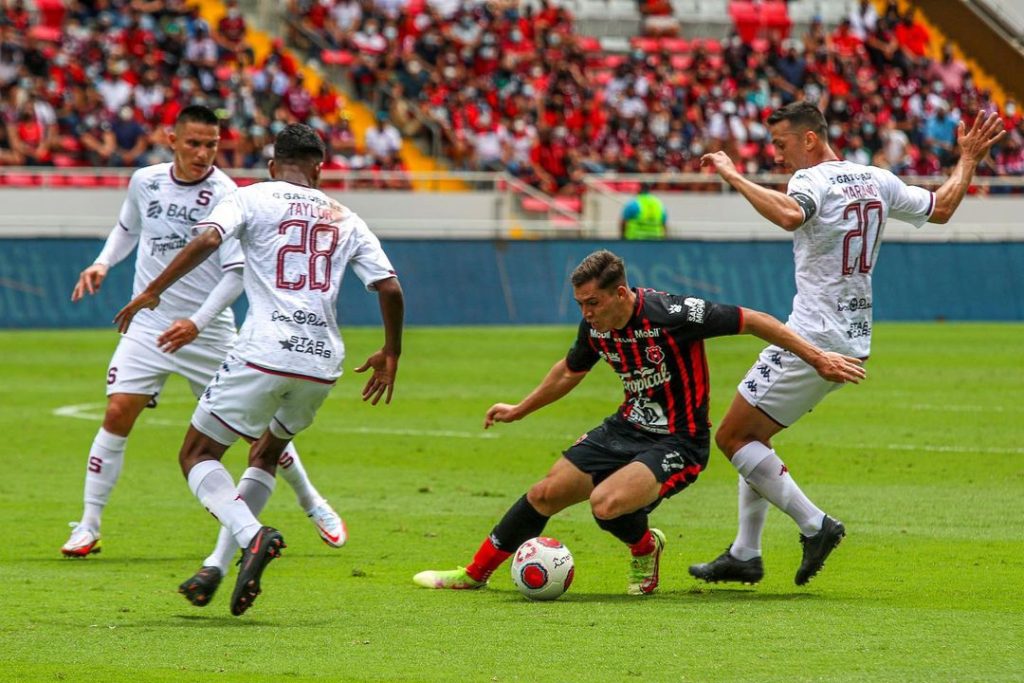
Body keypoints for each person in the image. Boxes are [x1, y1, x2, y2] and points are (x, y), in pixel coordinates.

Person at [413, 249, 864, 595]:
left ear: (621, 294)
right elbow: (569, 371)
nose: (586, 313)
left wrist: (817, 357)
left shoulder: (671, 314)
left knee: (606, 505)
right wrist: (519, 409)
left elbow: (754, 320)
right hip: (626, 427)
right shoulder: (594, 325)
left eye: (593, 303)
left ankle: (644, 548)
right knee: (544, 493)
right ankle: (473, 576)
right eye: (580, 304)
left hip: (679, 440)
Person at [692, 101, 1006, 586]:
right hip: (852, 335)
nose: (777, 156)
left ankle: (816, 525)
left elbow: (790, 216)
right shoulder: (875, 178)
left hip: (812, 337)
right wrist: (968, 159)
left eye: (781, 144)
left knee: (733, 437)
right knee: (754, 435)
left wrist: (733, 175)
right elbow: (941, 208)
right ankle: (745, 552)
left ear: (810, 139)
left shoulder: (809, 182)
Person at [114, 123, 404, 616]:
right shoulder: (347, 217)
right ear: (319, 168)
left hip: (264, 350)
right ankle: (217, 564)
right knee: (267, 454)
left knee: (197, 453)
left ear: (273, 166)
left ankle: (252, 534)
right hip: (321, 361)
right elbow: (390, 288)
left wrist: (153, 290)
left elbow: (208, 240)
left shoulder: (252, 197)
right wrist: (390, 352)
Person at [63, 107, 347, 575]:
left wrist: (196, 321)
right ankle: (89, 525)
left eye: (211, 145)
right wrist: (101, 263)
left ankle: (311, 500)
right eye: (193, 143)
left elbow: (235, 273)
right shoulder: (145, 181)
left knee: (262, 430)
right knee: (118, 410)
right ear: (171, 138)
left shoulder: (230, 195)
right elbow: (128, 228)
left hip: (208, 329)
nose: (202, 153)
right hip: (151, 322)